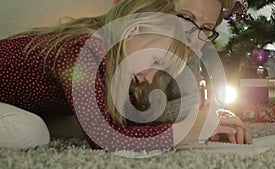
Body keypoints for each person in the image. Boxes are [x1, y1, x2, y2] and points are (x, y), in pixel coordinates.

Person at [0, 0, 252, 151]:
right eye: (185, 18)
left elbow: (134, 119)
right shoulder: (84, 50)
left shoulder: (131, 59)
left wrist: (208, 121)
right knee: (32, 132)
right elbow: (104, 138)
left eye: (206, 29)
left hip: (25, 102)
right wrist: (185, 132)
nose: (191, 34)